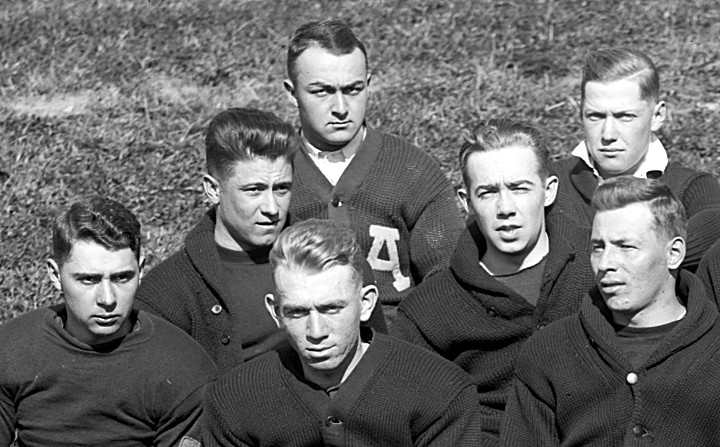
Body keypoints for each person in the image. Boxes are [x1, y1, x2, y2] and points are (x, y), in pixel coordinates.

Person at [136, 107, 385, 375]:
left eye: (282, 189)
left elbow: (384, 358)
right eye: (254, 190)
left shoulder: (338, 258)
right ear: (213, 189)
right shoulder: (167, 292)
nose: (272, 208)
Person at [391, 120, 595, 444]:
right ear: (466, 202)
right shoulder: (430, 309)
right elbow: (405, 411)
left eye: (520, 188)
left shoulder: (600, 269)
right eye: (488, 193)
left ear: (549, 190)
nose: (505, 209)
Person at [203, 219, 483, 446]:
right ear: (276, 312)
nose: (316, 331)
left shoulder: (440, 391)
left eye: (332, 309)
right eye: (297, 312)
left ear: (366, 304)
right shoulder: (236, 398)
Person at [501, 177, 720, 446]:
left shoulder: (714, 349)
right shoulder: (549, 351)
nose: (606, 264)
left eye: (626, 247)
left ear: (673, 253)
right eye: (598, 248)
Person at [283, 19, 464, 323]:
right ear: (292, 93)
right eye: (322, 92)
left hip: (399, 338)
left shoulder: (412, 170)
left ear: (369, 83)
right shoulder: (271, 174)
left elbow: (447, 278)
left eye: (353, 89)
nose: (341, 108)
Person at [0, 196, 216, 447]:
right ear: (55, 275)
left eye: (122, 278)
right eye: (88, 280)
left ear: (141, 270)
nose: (107, 299)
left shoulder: (184, 368)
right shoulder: (11, 349)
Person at [550, 47, 720, 272]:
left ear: (657, 116)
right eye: (595, 116)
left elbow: (714, 226)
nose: (608, 134)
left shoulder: (691, 187)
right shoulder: (549, 181)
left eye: (625, 116)